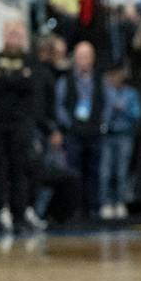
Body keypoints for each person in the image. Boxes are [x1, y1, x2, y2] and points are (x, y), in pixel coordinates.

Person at [0, 18, 51, 233]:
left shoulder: (32, 62)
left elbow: (30, 86)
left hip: (21, 124)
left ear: (23, 37)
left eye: (17, 33)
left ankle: (19, 213)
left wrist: (3, 80)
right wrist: (15, 80)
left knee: (20, 168)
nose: (13, 37)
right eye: (10, 33)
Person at [54, 41, 106, 217]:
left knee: (94, 172)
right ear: (75, 58)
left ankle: (94, 209)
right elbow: (59, 106)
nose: (84, 60)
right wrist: (70, 124)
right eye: (81, 56)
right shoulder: (65, 81)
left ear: (93, 58)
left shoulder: (100, 80)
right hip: (74, 134)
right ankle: (75, 210)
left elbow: (106, 103)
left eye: (87, 56)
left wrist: (101, 122)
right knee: (74, 173)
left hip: (94, 133)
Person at [99, 67, 141, 220]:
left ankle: (120, 202)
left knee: (121, 171)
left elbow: (137, 114)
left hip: (124, 135)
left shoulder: (130, 94)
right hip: (107, 135)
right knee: (105, 171)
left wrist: (124, 109)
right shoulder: (106, 92)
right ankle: (106, 203)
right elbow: (99, 112)